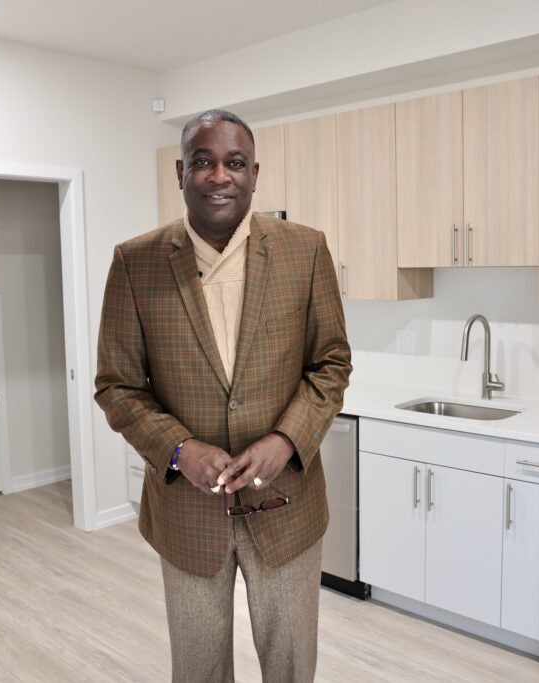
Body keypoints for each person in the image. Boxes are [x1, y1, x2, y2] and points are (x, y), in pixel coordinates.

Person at [94, 109, 352, 683]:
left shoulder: (304, 251)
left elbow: (331, 363)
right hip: (187, 517)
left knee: (290, 664)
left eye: (234, 163)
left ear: (254, 173)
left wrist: (287, 439)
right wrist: (181, 450)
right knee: (198, 668)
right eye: (204, 162)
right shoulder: (136, 263)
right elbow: (117, 385)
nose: (219, 176)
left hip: (286, 506)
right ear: (181, 171)